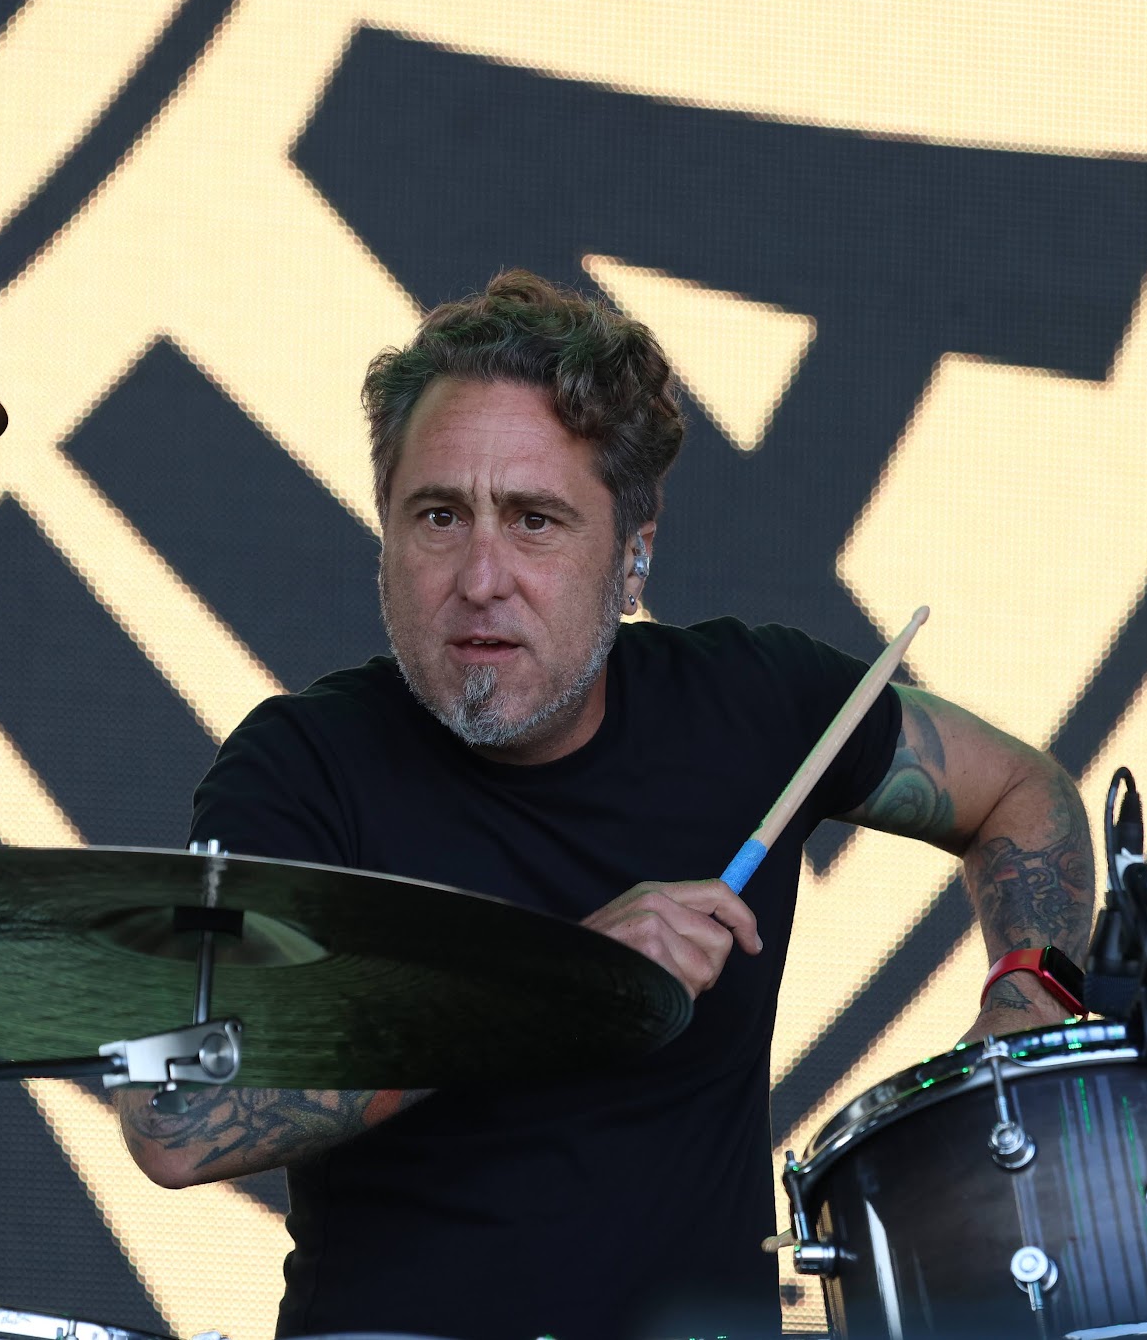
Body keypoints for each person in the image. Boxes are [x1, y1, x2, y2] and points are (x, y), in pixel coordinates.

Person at [113, 270, 1093, 1339]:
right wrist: (554, 985)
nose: (480, 577)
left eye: (534, 521)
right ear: (385, 539)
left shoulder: (753, 703)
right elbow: (174, 1123)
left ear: (633, 557)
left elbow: (1023, 792)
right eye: (438, 516)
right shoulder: (302, 765)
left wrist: (1027, 1010)